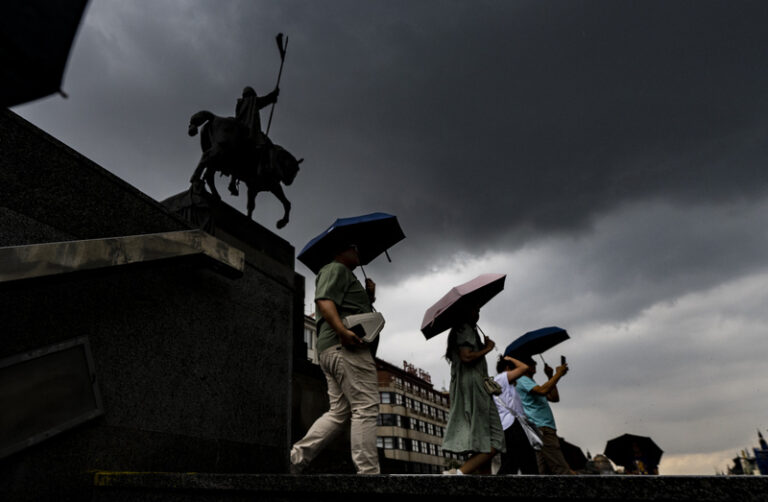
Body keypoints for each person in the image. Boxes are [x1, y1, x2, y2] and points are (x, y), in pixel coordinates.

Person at [290, 243, 380, 474]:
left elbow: (351, 308)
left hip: (334, 350)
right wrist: (342, 331)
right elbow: (324, 300)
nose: (358, 252)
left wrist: (369, 296)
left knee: (339, 412)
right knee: (365, 408)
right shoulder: (336, 269)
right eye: (354, 248)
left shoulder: (344, 274)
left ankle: (296, 458)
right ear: (340, 250)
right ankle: (369, 474)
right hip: (346, 349)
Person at [441, 308, 505, 475]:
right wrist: (488, 348)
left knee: (480, 438)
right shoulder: (466, 329)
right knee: (495, 439)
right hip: (475, 387)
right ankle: (459, 473)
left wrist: (481, 346)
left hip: (466, 386)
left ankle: (478, 478)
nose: (477, 314)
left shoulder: (460, 331)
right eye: (474, 310)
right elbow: (466, 356)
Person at [514, 355, 574, 475]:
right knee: (561, 469)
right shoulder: (522, 380)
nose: (535, 363)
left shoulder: (531, 383)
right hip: (542, 429)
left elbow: (554, 397)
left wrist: (550, 376)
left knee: (539, 471)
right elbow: (543, 390)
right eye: (531, 362)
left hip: (541, 429)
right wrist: (559, 374)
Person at [228, 85, 279, 195]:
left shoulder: (239, 103)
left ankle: (233, 181)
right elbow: (265, 100)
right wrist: (274, 94)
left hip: (240, 129)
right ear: (252, 94)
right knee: (268, 146)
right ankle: (265, 169)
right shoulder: (253, 101)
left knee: (239, 157)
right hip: (251, 131)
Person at [493, 355, 538, 474]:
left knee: (513, 462)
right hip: (512, 425)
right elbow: (524, 367)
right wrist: (510, 358)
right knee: (526, 461)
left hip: (512, 425)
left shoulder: (508, 384)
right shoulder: (502, 378)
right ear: (508, 368)